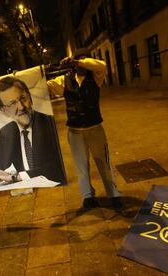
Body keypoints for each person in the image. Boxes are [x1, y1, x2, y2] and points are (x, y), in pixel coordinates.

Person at [47, 48, 123, 209]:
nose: (82, 64)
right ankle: (88, 196)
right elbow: (44, 86)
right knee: (81, 165)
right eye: (78, 61)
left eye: (84, 61)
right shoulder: (64, 80)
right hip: (74, 130)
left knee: (104, 162)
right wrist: (36, 74)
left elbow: (101, 64)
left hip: (95, 128)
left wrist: (76, 61)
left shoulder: (96, 77)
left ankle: (114, 194)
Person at [0, 76, 65, 186]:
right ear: (5, 111)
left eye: (23, 98)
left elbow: (55, 168)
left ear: (30, 98)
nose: (21, 107)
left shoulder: (48, 124)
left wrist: (15, 177)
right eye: (12, 103)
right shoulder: (7, 132)